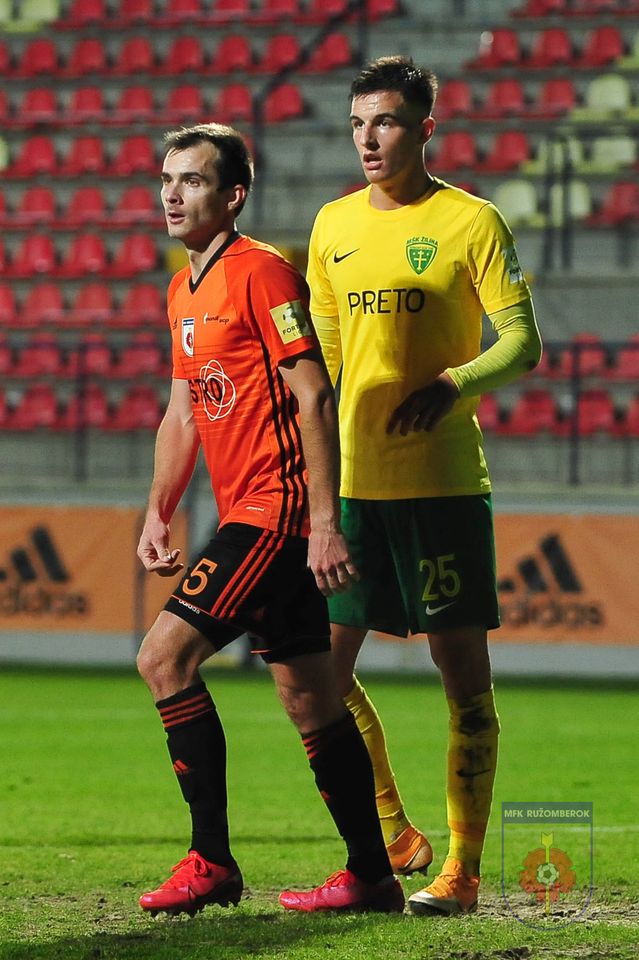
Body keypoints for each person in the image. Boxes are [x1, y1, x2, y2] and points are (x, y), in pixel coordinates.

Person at [135, 123, 404, 917]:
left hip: (274, 512)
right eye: (166, 179)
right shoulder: (182, 291)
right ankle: (371, 876)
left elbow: (313, 395)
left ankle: (210, 860)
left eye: (191, 180)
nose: (173, 194)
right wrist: (156, 511)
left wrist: (324, 522)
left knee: (163, 659)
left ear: (233, 196)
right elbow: (183, 413)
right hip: (248, 511)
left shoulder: (262, 273)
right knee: (309, 699)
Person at [306, 56, 542, 916]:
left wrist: (452, 383)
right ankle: (395, 835)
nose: (369, 139)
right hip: (354, 491)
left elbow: (522, 343)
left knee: (461, 678)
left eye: (387, 122)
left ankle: (462, 874)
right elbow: (321, 371)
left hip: (441, 488)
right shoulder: (332, 224)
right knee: (315, 676)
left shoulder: (469, 220)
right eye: (358, 123)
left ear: (424, 129)